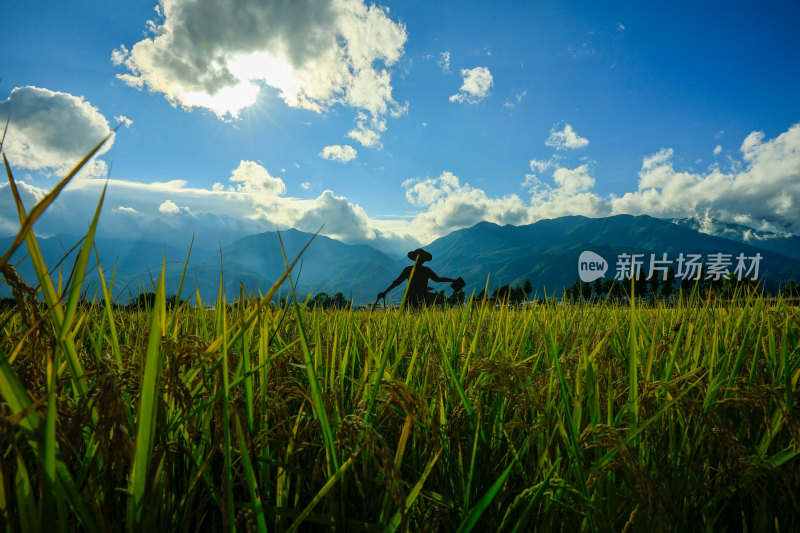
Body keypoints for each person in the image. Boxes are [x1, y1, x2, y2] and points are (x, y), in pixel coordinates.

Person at [376, 248, 462, 308]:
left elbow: (397, 282)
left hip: (411, 297)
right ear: (423, 260)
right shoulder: (425, 270)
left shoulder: (409, 269)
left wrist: (385, 292)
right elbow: (438, 280)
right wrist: (453, 280)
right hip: (420, 298)